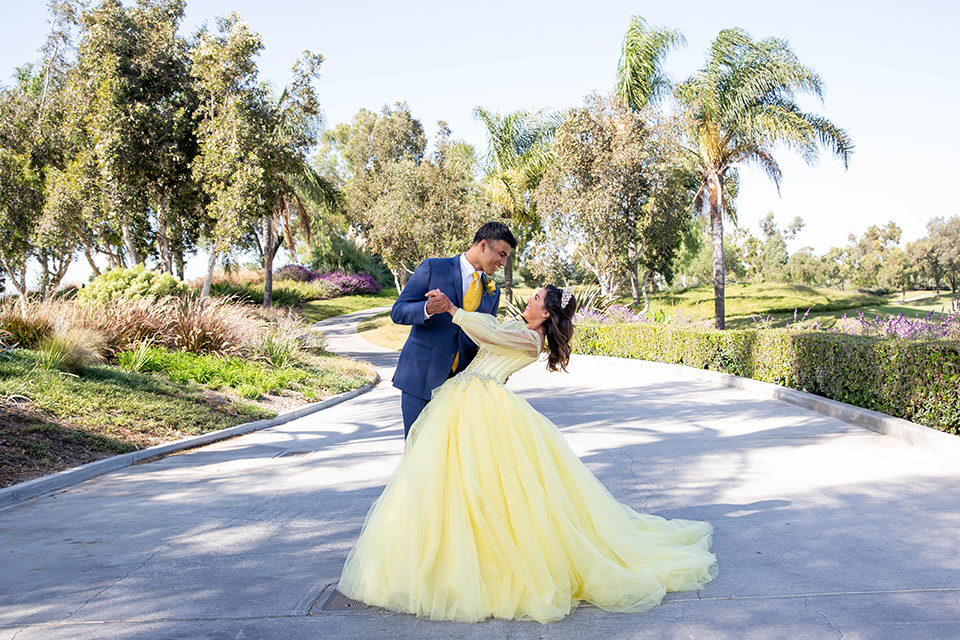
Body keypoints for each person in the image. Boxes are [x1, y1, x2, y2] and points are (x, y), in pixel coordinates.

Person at [339, 285, 718, 624]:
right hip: (466, 399)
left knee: (487, 486)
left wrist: (453, 310)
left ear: (547, 313)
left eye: (536, 299)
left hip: (481, 406)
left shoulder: (531, 340)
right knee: (456, 483)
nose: (530, 300)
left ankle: (487, 567)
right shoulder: (519, 330)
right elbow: (490, 334)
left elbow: (486, 331)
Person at [391, 221, 518, 437]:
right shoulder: (433, 268)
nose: (504, 263)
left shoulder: (492, 293)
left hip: (460, 390)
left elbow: (483, 337)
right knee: (417, 455)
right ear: (484, 245)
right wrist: (427, 308)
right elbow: (398, 311)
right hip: (421, 379)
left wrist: (498, 366)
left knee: (451, 460)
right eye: (502, 254)